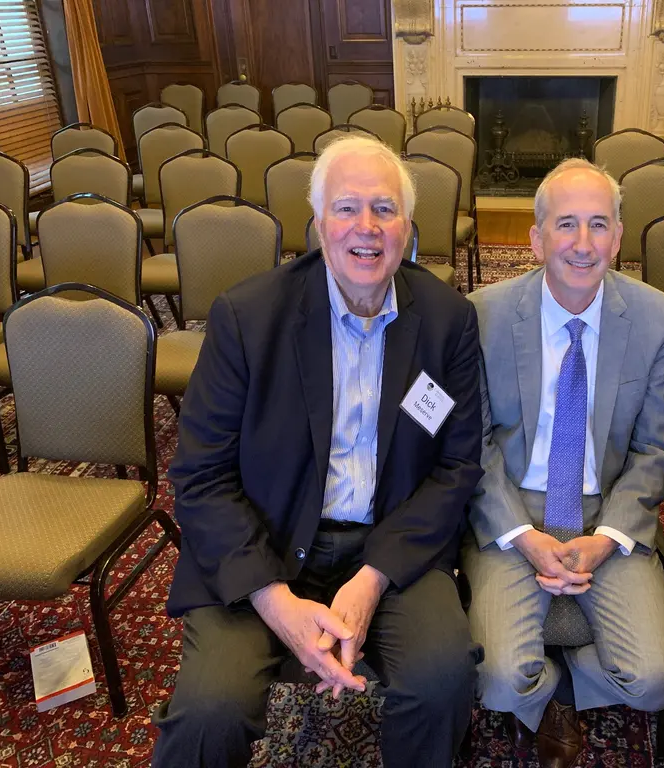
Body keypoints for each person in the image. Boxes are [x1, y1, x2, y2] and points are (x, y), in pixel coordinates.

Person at [151, 136, 484, 768]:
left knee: (442, 681)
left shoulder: (447, 321)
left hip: (393, 544)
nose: (366, 228)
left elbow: (456, 466)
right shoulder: (248, 318)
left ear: (409, 227)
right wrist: (275, 601)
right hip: (265, 545)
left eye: (385, 209)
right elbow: (199, 477)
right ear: (317, 223)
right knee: (207, 711)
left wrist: (371, 578)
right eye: (347, 208)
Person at [464, 158, 664, 768]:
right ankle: (546, 686)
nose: (582, 244)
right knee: (500, 680)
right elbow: (473, 447)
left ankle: (562, 682)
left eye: (598, 224)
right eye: (566, 225)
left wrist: (609, 537)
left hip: (606, 506)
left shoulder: (655, 316)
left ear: (618, 235)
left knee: (657, 680)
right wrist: (521, 535)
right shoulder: (484, 314)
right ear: (535, 238)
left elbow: (656, 449)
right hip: (512, 507)